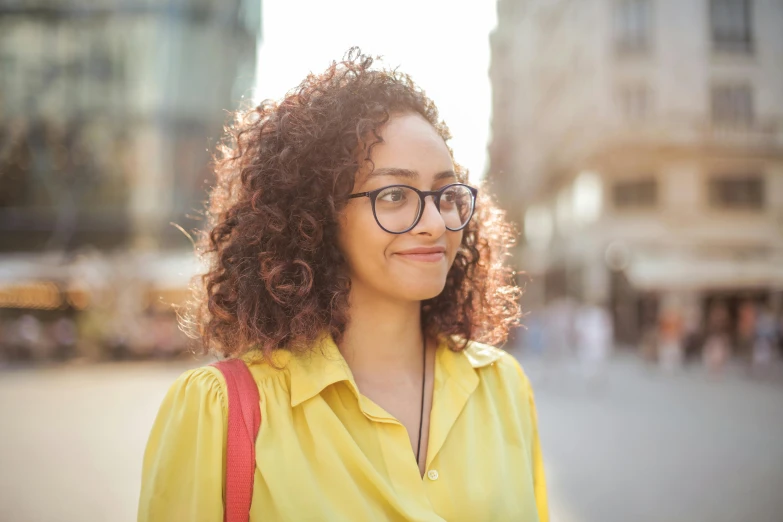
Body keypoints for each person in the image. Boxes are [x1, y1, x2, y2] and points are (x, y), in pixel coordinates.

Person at [137, 50, 549, 521]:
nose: (435, 223)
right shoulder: (222, 410)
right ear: (316, 216)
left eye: (445, 193)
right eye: (395, 195)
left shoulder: (503, 387)